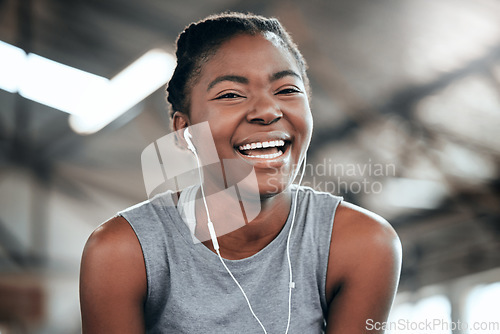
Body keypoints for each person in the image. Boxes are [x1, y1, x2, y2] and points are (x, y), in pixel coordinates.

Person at [79, 12, 402, 334]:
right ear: (185, 130)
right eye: (231, 95)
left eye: (287, 90)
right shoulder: (123, 251)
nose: (267, 111)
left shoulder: (360, 243)